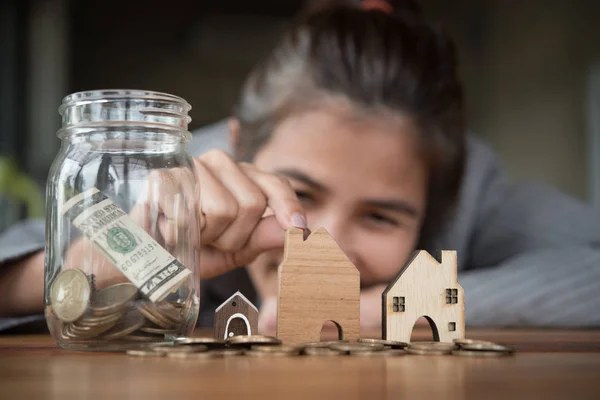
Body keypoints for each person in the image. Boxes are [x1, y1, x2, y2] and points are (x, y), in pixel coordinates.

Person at [1, 0, 599, 334]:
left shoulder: (473, 189)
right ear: (239, 150)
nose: (328, 246)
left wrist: (378, 311)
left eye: (382, 216)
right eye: (300, 192)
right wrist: (103, 262)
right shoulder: (171, 174)